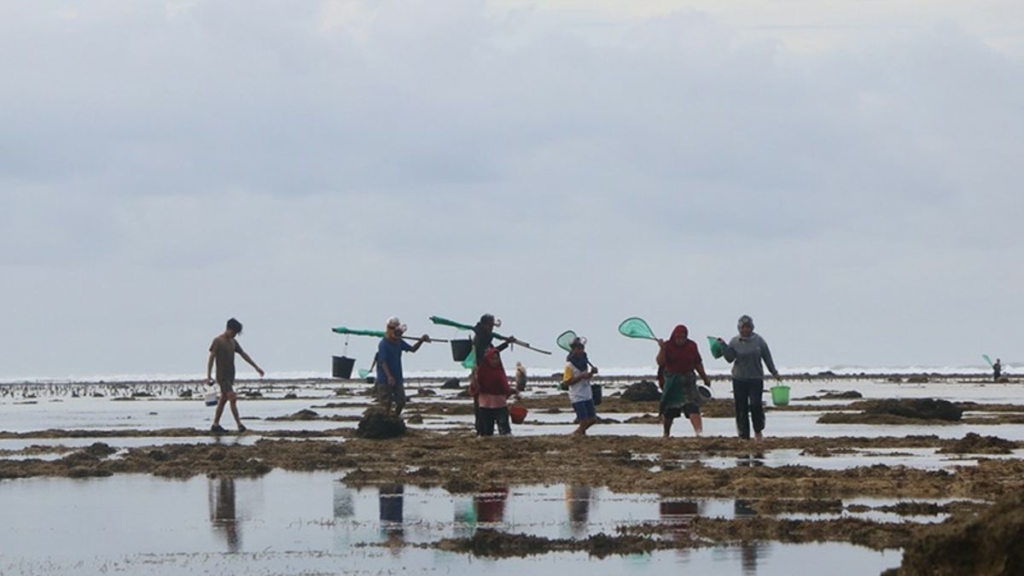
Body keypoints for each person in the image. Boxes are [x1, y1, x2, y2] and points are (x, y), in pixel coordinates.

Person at [717, 315, 779, 441]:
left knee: (756, 405)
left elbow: (767, 357)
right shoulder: (734, 342)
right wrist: (723, 346)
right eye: (743, 327)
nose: (746, 329)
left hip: (756, 378)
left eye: (748, 327)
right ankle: (743, 435)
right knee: (741, 407)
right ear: (739, 328)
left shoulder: (759, 341)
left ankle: (758, 430)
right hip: (739, 378)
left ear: (752, 327)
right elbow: (730, 358)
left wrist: (774, 372)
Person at [206, 317, 264, 434]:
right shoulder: (218, 341)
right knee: (232, 397)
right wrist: (208, 375)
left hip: (230, 375)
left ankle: (215, 425)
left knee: (223, 400)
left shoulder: (233, 342)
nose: (235, 335)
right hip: (222, 376)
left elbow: (243, 354)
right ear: (228, 329)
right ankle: (239, 425)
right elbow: (211, 357)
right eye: (234, 332)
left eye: (236, 333)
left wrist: (256, 367)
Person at [657, 325, 712, 438]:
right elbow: (660, 362)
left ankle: (699, 433)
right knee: (669, 410)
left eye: (683, 337)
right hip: (672, 381)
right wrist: (662, 349)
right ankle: (666, 433)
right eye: (679, 337)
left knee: (693, 407)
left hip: (688, 380)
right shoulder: (667, 346)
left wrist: (705, 377)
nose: (681, 340)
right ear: (674, 336)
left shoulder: (692, 346)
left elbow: (697, 363)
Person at [470, 314, 516, 434]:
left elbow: (493, 353)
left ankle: (483, 430)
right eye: (490, 326)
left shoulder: (486, 339)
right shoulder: (480, 338)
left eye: (492, 326)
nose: (492, 328)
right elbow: (487, 353)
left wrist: (506, 343)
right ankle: (480, 430)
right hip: (481, 376)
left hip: (492, 387)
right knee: (482, 408)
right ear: (484, 325)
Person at [376, 317, 430, 416]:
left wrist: (421, 340)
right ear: (389, 329)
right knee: (386, 403)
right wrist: (389, 376)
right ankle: (385, 421)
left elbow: (412, 349)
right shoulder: (383, 344)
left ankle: (395, 418)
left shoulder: (399, 342)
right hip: (385, 378)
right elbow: (382, 362)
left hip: (397, 377)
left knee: (401, 401)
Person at [475, 348, 518, 436]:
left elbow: (505, 388)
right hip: (485, 407)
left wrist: (514, 391)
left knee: (505, 431)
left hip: (500, 406)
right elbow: (475, 388)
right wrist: (473, 376)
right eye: (492, 359)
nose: (495, 361)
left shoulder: (500, 371)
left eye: (497, 359)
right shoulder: (481, 372)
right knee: (486, 433)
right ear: (488, 359)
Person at [563, 337, 599, 436]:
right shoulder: (569, 365)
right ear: (573, 349)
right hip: (577, 395)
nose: (581, 350)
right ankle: (579, 433)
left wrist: (591, 373)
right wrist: (581, 376)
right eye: (578, 348)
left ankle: (579, 432)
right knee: (583, 420)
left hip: (587, 394)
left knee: (592, 419)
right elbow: (566, 382)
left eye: (582, 348)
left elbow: (586, 377)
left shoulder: (584, 362)